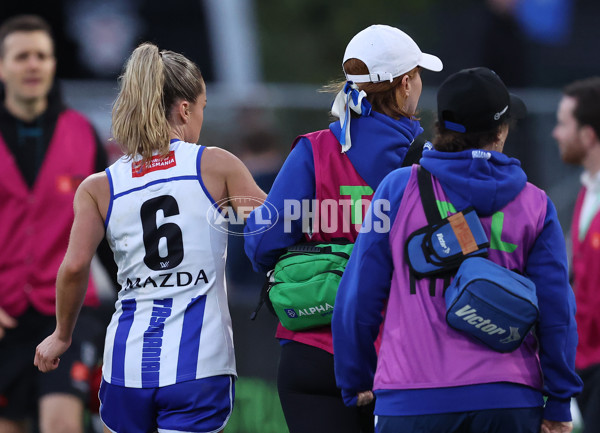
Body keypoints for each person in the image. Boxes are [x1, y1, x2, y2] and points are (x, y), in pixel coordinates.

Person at [332, 67, 583, 433]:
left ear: (442, 128)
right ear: (500, 132)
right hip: (508, 399)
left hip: (411, 399)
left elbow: (358, 297)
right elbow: (557, 313)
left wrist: (355, 377)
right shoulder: (535, 204)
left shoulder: (397, 190)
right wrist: (559, 401)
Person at [34, 42, 266, 433]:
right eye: (204, 107)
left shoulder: (100, 185)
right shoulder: (215, 164)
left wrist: (61, 334)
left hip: (125, 366)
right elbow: (273, 233)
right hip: (199, 365)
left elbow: (74, 267)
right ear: (185, 109)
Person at [244, 24, 443, 433]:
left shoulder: (314, 149)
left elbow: (261, 244)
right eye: (419, 75)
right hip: (400, 357)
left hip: (313, 351)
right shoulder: (432, 162)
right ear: (405, 85)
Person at [0, 14, 116, 433]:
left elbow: (104, 232)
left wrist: (130, 294)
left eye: (42, 56)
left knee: (62, 423)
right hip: (6, 316)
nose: (33, 65)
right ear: (2, 66)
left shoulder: (83, 134)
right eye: (22, 56)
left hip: (67, 312)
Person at [553, 76, 600, 433]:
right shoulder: (588, 190)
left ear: (588, 135)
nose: (555, 133)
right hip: (585, 365)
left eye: (564, 124)